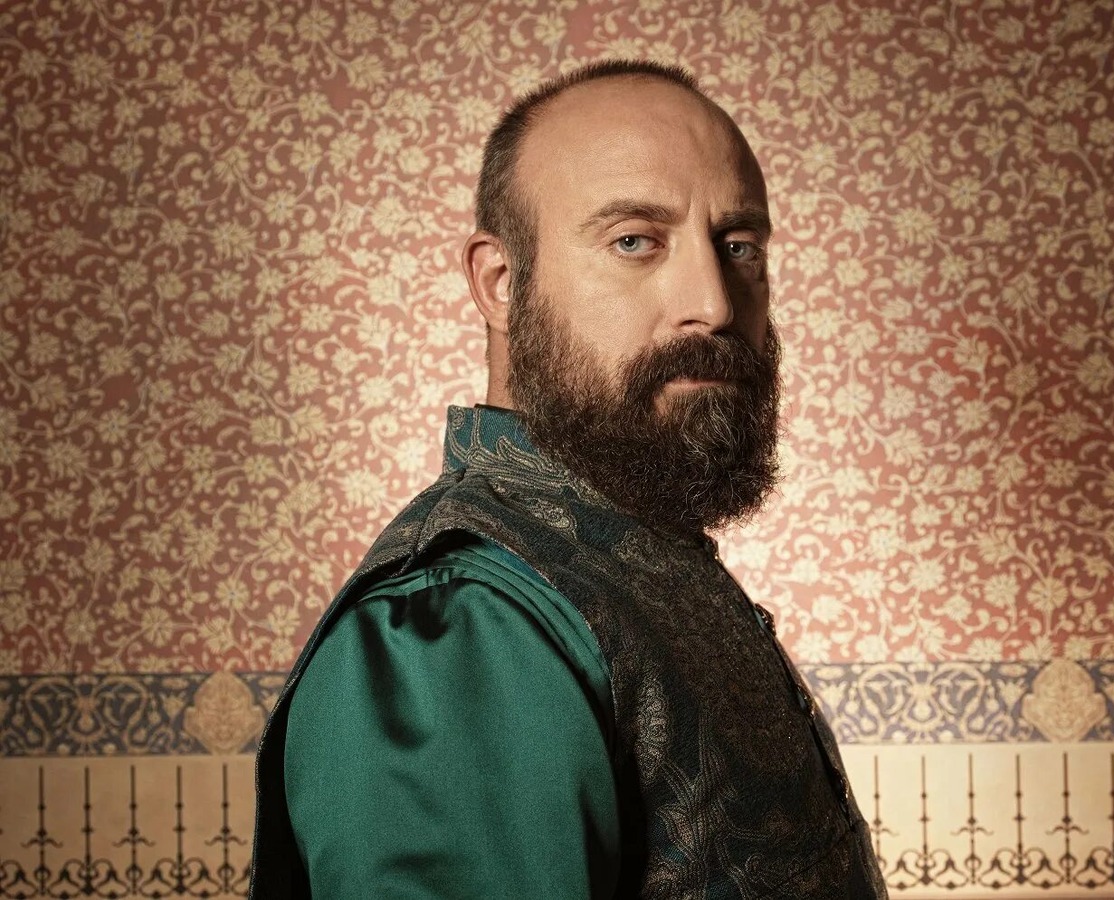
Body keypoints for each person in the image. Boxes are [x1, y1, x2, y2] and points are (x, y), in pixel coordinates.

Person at [249, 59, 888, 899]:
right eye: (635, 241)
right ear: (501, 283)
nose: (715, 304)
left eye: (738, 247)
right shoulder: (460, 630)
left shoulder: (636, 555)